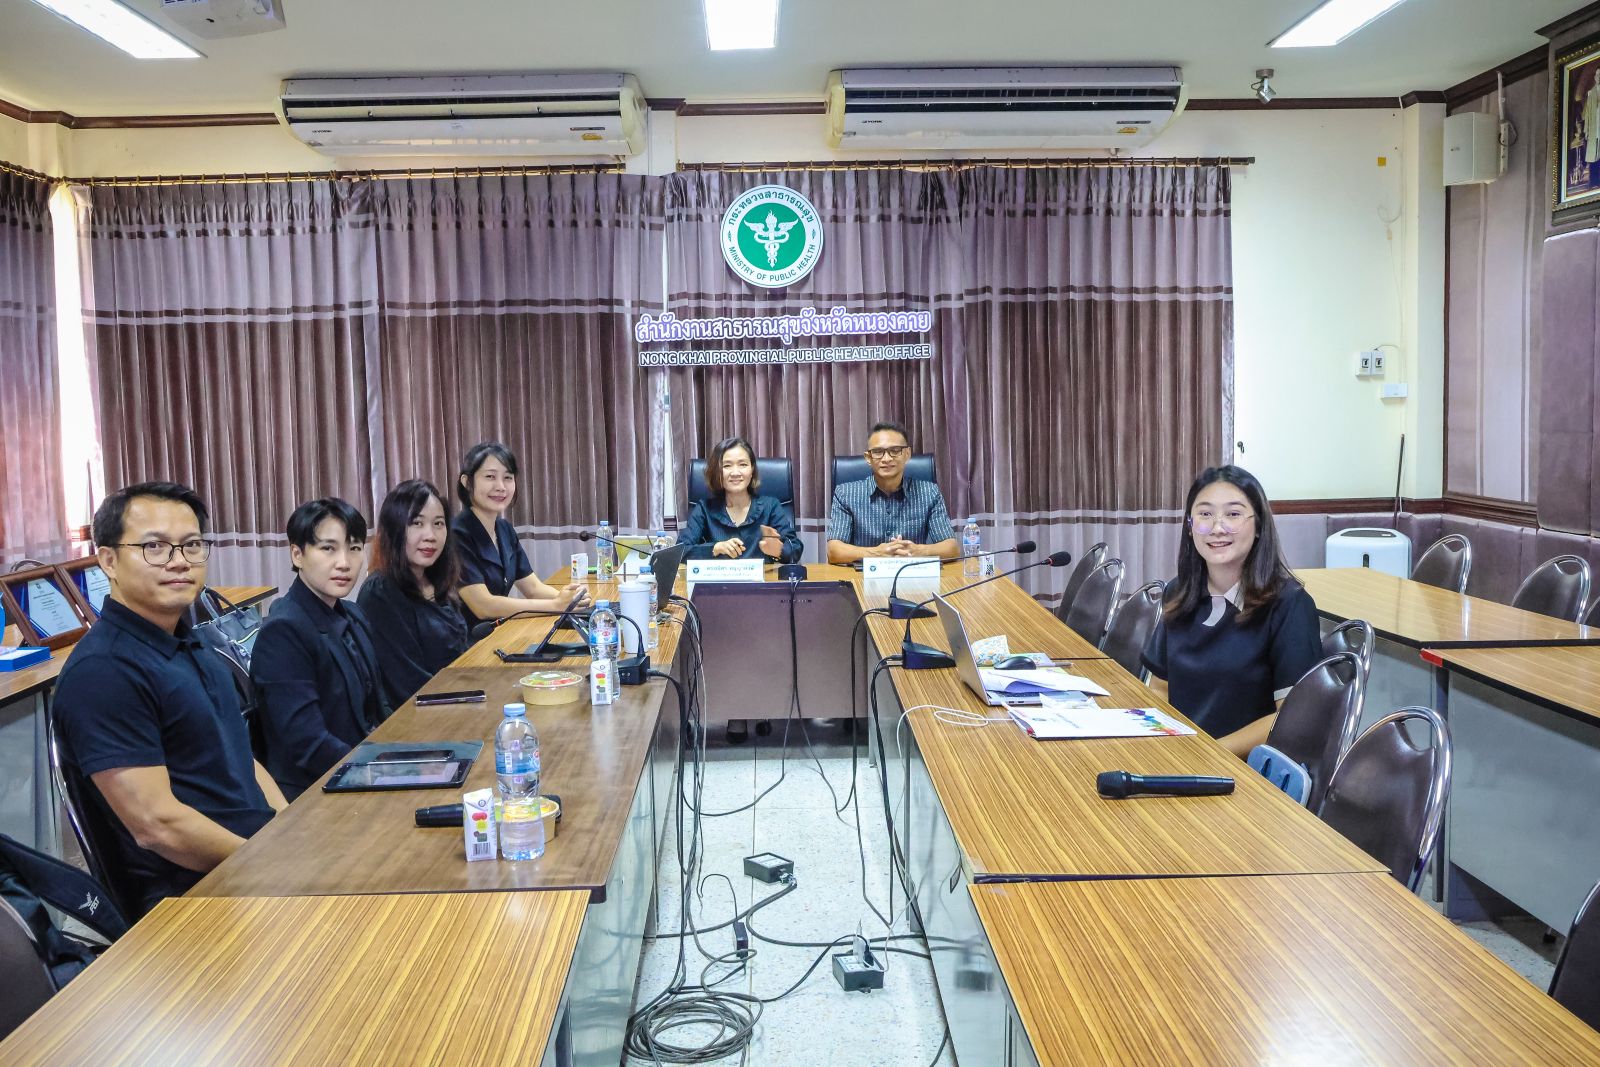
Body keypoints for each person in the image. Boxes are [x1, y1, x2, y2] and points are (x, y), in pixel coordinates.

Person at [51, 481, 284, 916]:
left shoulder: (192, 644)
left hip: (253, 866)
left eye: (191, 545)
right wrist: (271, 865)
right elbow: (157, 826)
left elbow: (240, 756)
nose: (179, 561)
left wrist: (290, 832)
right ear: (108, 560)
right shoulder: (104, 671)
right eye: (154, 547)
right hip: (193, 901)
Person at [1141, 466, 1322, 758]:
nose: (1217, 527)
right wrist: (1164, 745)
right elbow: (1160, 688)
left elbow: (1292, 717)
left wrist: (1209, 753)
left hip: (1244, 771)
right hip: (1182, 758)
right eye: (1205, 514)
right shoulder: (1180, 592)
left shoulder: (1289, 605)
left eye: (1233, 514)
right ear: (1190, 526)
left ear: (1259, 525)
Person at [250, 498, 391, 799]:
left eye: (354, 548)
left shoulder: (352, 614)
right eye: (328, 548)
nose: (344, 562)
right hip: (315, 792)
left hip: (361, 771)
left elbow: (379, 707)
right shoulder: (283, 632)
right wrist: (377, 770)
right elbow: (307, 744)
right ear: (297, 554)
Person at [451, 442, 589, 632]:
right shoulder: (456, 535)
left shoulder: (504, 529)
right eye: (490, 477)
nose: (501, 487)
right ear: (467, 482)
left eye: (508, 477)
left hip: (497, 634)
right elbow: (483, 606)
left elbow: (533, 588)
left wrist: (573, 600)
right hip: (464, 641)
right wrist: (557, 605)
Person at [358, 479, 470, 707]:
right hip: (418, 716)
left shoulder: (436, 583)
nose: (430, 535)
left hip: (457, 700)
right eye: (417, 523)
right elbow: (408, 685)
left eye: (438, 524)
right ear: (394, 529)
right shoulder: (380, 592)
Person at [826, 421, 957, 564]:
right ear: (868, 458)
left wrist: (917, 551)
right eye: (878, 452)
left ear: (907, 454)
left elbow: (951, 548)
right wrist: (877, 553)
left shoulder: (929, 492)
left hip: (913, 573)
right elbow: (834, 551)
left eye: (895, 450)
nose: (887, 459)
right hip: (863, 575)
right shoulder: (845, 494)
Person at [679, 436, 803, 563]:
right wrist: (714, 549)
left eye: (743, 464)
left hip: (761, 576)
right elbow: (680, 551)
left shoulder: (771, 506)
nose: (735, 473)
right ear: (717, 472)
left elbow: (795, 548)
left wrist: (779, 550)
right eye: (727, 465)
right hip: (720, 576)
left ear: (752, 469)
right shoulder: (704, 509)